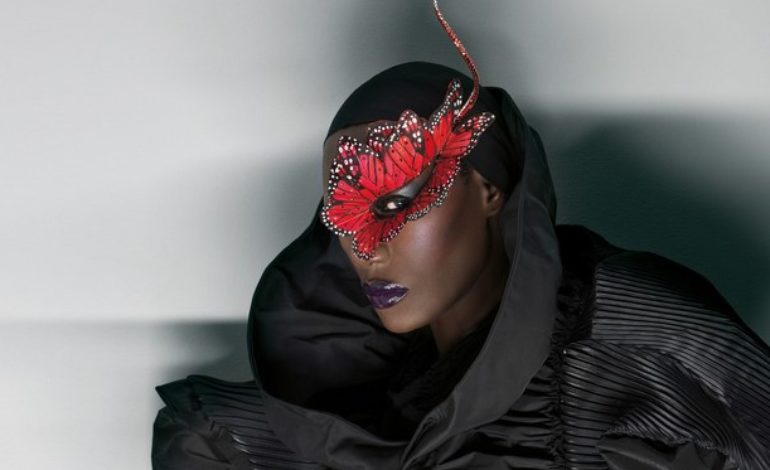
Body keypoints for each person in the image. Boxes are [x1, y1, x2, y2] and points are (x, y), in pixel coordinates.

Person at [152, 4, 770, 470]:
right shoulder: (342, 412)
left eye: (395, 202)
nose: (365, 247)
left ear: (489, 189)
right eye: (342, 212)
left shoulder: (637, 338)